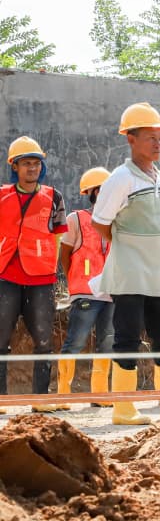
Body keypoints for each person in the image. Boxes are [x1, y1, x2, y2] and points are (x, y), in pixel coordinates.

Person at [91, 103, 160, 425]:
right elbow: (100, 222)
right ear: (131, 139)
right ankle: (124, 409)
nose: (157, 144)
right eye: (150, 138)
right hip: (129, 272)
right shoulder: (121, 178)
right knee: (127, 335)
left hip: (158, 272)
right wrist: (127, 244)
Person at [0, 136, 68, 412]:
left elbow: (59, 237)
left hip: (40, 278)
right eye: (26, 163)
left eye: (36, 163)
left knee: (43, 340)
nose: (32, 168)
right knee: (1, 338)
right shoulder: (1, 195)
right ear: (14, 167)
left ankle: (41, 399)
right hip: (5, 275)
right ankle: (2, 398)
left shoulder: (54, 197)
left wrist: (54, 271)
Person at [58, 167, 114, 408]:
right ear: (93, 192)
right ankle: (63, 394)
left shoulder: (117, 222)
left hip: (112, 293)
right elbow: (66, 255)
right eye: (103, 190)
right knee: (76, 342)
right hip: (84, 291)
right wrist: (74, 281)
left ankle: (99, 395)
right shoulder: (76, 219)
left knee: (107, 342)